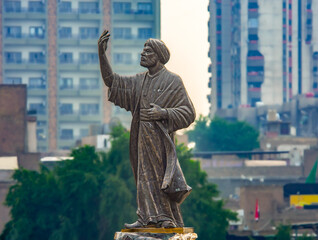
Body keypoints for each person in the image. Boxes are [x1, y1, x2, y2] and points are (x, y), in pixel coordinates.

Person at [98, 30, 196, 228]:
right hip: (141, 140)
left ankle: (165, 218)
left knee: (161, 179)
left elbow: (188, 112)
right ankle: (147, 218)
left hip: (161, 143)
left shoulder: (173, 81)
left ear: (158, 56)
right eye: (142, 50)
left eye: (147, 51)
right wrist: (102, 55)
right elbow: (112, 81)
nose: (142, 54)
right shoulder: (138, 82)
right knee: (144, 177)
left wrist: (164, 113)